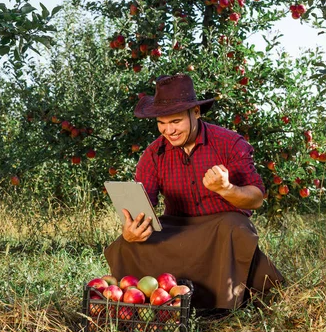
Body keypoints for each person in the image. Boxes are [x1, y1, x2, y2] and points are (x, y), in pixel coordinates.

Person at [104, 74, 283, 313]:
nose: (168, 130)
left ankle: (220, 307)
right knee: (124, 245)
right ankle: (142, 303)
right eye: (161, 123)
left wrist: (227, 189)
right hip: (176, 227)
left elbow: (256, 198)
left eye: (175, 121)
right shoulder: (153, 154)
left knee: (236, 227)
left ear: (196, 112)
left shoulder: (229, 143)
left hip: (221, 228)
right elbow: (143, 206)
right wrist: (131, 229)